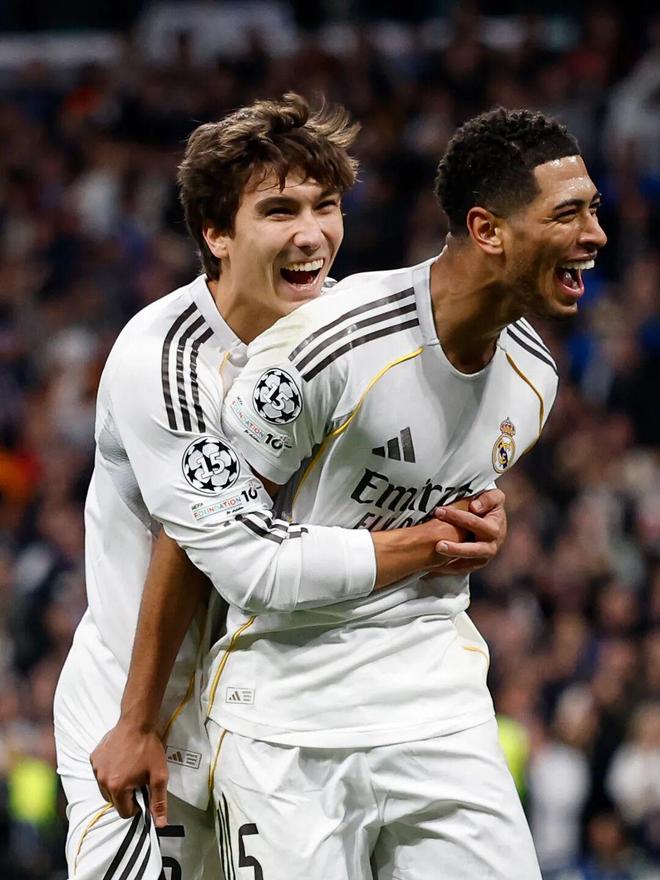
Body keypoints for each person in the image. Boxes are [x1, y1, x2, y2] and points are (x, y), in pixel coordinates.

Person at [94, 105, 606, 878]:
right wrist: (427, 544)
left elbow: (441, 508)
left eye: (592, 210)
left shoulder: (535, 375)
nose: (596, 235)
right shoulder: (324, 342)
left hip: (437, 710)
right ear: (488, 229)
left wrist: (474, 528)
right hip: (285, 721)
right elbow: (224, 550)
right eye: (568, 214)